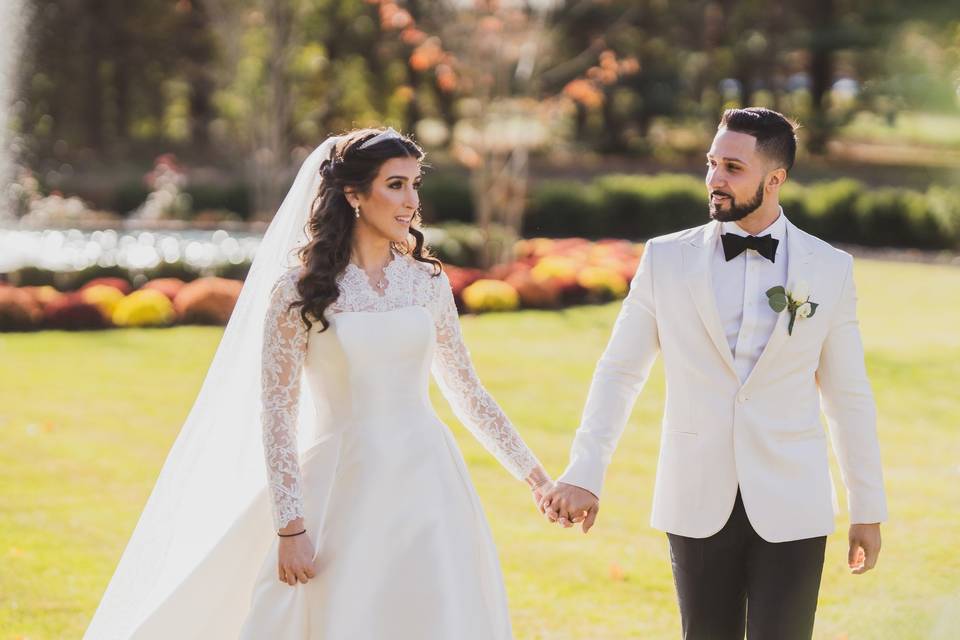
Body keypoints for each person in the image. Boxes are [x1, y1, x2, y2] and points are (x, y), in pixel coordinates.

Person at [83, 128, 551, 639]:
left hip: (429, 482)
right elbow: (278, 412)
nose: (412, 202)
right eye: (396, 185)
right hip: (343, 487)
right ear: (353, 194)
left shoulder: (426, 281)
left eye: (416, 185)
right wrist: (291, 526)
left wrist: (537, 480)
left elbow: (467, 391)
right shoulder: (299, 292)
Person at [540, 107, 888, 640]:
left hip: (793, 498)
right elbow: (619, 372)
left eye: (732, 167)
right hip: (696, 494)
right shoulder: (666, 260)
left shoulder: (829, 269)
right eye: (711, 163)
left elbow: (848, 397)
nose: (714, 180)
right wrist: (586, 470)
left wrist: (866, 506)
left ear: (775, 180)